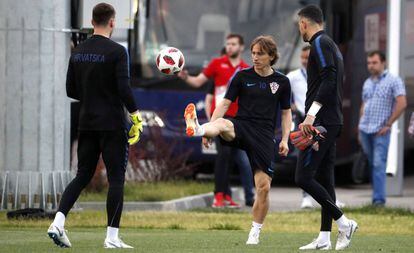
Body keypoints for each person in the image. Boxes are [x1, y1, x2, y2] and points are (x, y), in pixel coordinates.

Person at [47, 3, 142, 248]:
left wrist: (92, 94)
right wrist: (136, 115)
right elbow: (124, 89)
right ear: (112, 22)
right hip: (112, 123)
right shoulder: (118, 51)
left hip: (86, 121)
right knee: (117, 179)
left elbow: (71, 90)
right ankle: (111, 238)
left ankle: (57, 222)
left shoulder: (78, 51)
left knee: (82, 175)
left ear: (92, 22)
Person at [184, 35, 292, 245]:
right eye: (252, 53)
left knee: (263, 187)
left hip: (264, 136)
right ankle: (199, 129)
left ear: (271, 56)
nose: (255, 57)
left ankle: (255, 231)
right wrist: (208, 131)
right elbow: (223, 105)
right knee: (223, 123)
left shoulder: (282, 82)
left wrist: (285, 139)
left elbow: (286, 113)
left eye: (260, 53)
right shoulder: (241, 77)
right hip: (241, 125)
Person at [295, 5, 358, 250]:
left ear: (304, 23)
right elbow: (330, 77)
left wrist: (311, 115)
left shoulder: (319, 43)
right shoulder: (331, 44)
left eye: (298, 24)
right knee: (325, 178)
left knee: (303, 177)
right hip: (331, 119)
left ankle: (344, 223)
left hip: (321, 121)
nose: (299, 28)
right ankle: (324, 237)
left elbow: (330, 77)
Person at [179, 34, 254, 207]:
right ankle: (218, 195)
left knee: (233, 157)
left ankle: (226, 195)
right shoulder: (216, 64)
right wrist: (184, 77)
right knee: (224, 155)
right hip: (220, 117)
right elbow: (198, 81)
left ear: (241, 47)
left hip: (237, 120)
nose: (229, 47)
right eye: (227, 44)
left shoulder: (245, 69)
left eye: (233, 44)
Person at [287, 46, 345, 209]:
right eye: (303, 58)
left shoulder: (323, 75)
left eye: (308, 58)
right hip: (303, 119)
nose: (305, 61)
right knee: (304, 162)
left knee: (325, 163)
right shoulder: (293, 76)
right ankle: (306, 197)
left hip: (321, 120)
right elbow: (284, 94)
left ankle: (329, 198)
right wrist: (291, 107)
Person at [358, 50, 407, 206]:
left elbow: (402, 103)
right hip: (365, 129)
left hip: (381, 130)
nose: (371, 66)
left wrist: (388, 124)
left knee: (379, 164)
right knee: (373, 164)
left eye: (374, 62)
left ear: (383, 62)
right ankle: (376, 197)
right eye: (369, 63)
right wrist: (360, 125)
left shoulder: (394, 80)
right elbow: (364, 104)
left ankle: (378, 201)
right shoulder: (367, 82)